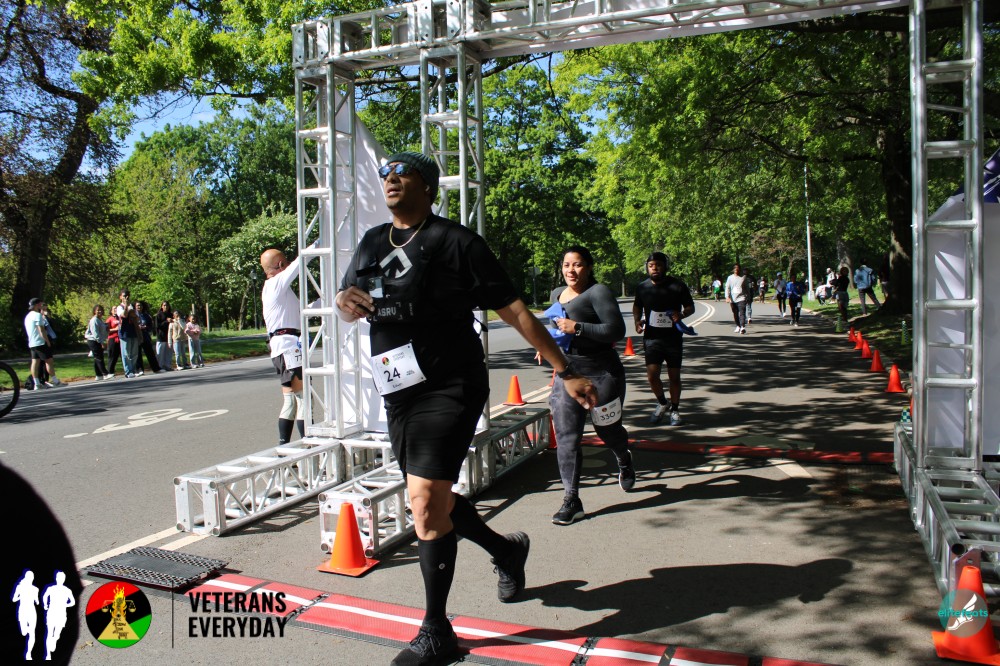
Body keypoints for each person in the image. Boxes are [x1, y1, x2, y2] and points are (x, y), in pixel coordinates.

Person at [334, 151, 597, 666]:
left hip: (451, 383)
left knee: (424, 501)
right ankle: (506, 549)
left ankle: (437, 632)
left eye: (403, 172)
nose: (391, 178)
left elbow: (515, 310)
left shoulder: (457, 242)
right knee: (431, 499)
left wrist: (565, 370)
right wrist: (345, 303)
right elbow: (350, 298)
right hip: (399, 388)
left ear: (428, 187)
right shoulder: (371, 242)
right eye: (387, 173)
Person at [543, 245, 631, 526]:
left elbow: (616, 330)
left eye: (577, 264)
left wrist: (578, 327)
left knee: (607, 431)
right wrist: (548, 347)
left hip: (602, 372)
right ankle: (571, 499)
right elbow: (557, 328)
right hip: (568, 372)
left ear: (589, 267)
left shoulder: (598, 292)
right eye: (566, 265)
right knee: (567, 437)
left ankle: (623, 456)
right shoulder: (557, 294)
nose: (571, 270)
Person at [633, 252, 695, 426]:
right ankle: (662, 403)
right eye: (651, 266)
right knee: (652, 376)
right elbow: (637, 306)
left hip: (673, 339)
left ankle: (675, 410)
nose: (655, 268)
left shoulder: (677, 286)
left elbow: (690, 307)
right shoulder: (642, 287)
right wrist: (637, 321)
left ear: (665, 267)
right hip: (652, 338)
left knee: (674, 377)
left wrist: (681, 314)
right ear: (647, 268)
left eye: (658, 265)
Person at [259, 246, 308, 445]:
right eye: (285, 262)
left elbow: (298, 312)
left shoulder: (272, 289)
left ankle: (283, 446)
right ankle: (308, 444)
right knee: (304, 398)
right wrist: (319, 242)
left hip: (281, 346)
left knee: (290, 400)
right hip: (288, 346)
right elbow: (300, 263)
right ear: (281, 264)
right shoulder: (276, 283)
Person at [24, 298, 62, 390]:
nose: (41, 305)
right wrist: (47, 341)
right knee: (49, 361)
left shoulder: (28, 316)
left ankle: (37, 383)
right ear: (37, 305)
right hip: (40, 342)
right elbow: (41, 330)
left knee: (35, 362)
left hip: (32, 343)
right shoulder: (37, 315)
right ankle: (55, 381)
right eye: (40, 304)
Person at [42, 571, 75, 661]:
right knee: (49, 632)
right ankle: (48, 654)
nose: (60, 580)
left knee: (56, 634)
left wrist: (65, 605)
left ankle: (54, 640)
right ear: (56, 579)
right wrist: (45, 605)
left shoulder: (67, 590)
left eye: (62, 578)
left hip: (61, 613)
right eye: (59, 578)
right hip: (52, 612)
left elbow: (72, 602)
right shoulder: (51, 588)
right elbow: (45, 596)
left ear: (63, 579)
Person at [12, 570, 39, 659]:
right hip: (25, 611)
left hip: (29, 611)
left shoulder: (33, 589)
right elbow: (37, 602)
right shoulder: (22, 587)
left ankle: (28, 653)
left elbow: (14, 599)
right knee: (25, 633)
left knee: (31, 633)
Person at [116, 289, 141, 378]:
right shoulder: (119, 307)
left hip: (133, 331)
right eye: (124, 296)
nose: (126, 298)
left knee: (134, 353)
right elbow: (124, 315)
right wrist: (126, 306)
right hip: (124, 332)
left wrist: (132, 313)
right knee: (126, 353)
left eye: (127, 296)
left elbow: (137, 318)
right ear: (120, 297)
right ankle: (128, 371)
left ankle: (133, 370)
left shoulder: (132, 307)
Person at [134, 301, 162, 374]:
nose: (139, 307)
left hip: (145, 335)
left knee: (150, 352)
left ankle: (156, 368)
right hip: (137, 336)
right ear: (135, 307)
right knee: (138, 353)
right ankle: (139, 369)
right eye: (137, 305)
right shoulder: (133, 315)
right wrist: (137, 327)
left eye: (140, 305)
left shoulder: (146, 315)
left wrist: (146, 327)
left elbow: (150, 326)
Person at [84, 305, 110, 380]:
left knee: (98, 357)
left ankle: (99, 375)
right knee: (99, 357)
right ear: (94, 311)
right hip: (93, 340)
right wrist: (101, 342)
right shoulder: (94, 320)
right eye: (98, 310)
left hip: (97, 340)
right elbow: (95, 333)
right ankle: (105, 373)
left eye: (101, 310)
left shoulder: (100, 320)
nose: (99, 311)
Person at [724, 264, 750, 334]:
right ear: (733, 270)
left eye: (738, 268)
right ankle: (738, 326)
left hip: (741, 298)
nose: (736, 270)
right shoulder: (730, 278)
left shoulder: (743, 277)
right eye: (735, 268)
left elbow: (747, 288)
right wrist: (727, 297)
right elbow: (727, 288)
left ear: (740, 270)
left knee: (742, 312)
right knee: (735, 313)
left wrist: (748, 297)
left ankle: (742, 327)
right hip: (733, 299)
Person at [155, 301, 174, 371]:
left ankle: (167, 365)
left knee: (169, 352)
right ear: (162, 306)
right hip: (161, 336)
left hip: (169, 336)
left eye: (167, 305)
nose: (166, 307)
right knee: (160, 353)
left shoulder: (171, 315)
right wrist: (166, 321)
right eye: (164, 305)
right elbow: (157, 326)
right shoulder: (159, 315)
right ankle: (160, 366)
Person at [105, 305, 121, 378]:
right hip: (112, 339)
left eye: (116, 308)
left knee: (118, 356)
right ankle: (109, 372)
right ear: (111, 311)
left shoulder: (120, 318)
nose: (115, 310)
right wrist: (115, 329)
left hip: (120, 339)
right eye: (114, 309)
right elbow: (106, 330)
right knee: (112, 356)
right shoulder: (109, 319)